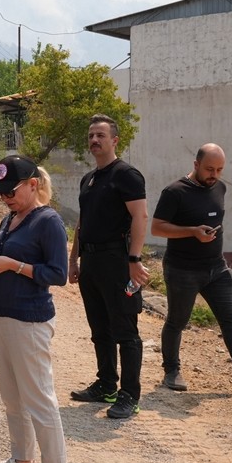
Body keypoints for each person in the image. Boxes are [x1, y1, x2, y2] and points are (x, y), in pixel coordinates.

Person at [0, 156, 72, 463]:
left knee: (38, 398)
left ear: (33, 185)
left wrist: (13, 266)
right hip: (3, 314)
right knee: (12, 397)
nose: (4, 198)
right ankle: (21, 460)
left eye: (10, 191)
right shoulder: (11, 218)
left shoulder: (48, 221)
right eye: (0, 193)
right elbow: (6, 262)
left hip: (29, 320)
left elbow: (58, 274)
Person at [151, 144, 232, 394]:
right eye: (210, 169)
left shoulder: (220, 187)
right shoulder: (174, 191)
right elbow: (157, 228)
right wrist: (192, 232)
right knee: (178, 321)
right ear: (196, 165)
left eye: (220, 169)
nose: (215, 174)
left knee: (231, 320)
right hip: (182, 270)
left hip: (216, 268)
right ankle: (172, 370)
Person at [68, 114, 150, 419]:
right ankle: (106, 384)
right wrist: (73, 259)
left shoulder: (127, 175)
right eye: (91, 135)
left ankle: (130, 395)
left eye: (100, 135)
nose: (94, 140)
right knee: (99, 329)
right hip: (91, 262)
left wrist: (134, 260)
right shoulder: (88, 179)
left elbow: (140, 218)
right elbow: (82, 221)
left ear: (114, 140)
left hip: (118, 262)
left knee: (125, 331)